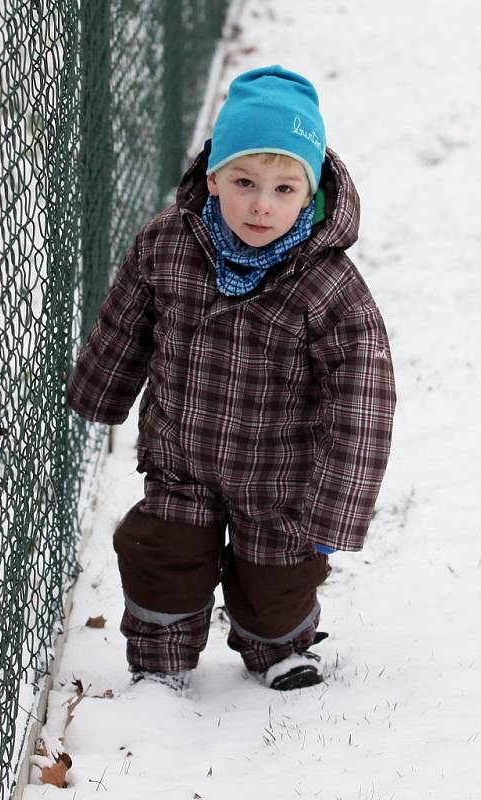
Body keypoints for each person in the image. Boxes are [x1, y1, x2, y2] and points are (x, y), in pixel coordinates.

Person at [67, 65, 396, 691]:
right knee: (162, 553)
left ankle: (280, 648)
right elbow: (126, 321)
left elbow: (364, 400)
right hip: (181, 451)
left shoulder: (329, 287)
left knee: (275, 576)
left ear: (312, 193)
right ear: (213, 175)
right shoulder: (169, 243)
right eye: (244, 181)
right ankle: (161, 663)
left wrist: (335, 513)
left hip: (279, 473)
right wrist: (99, 391)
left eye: (283, 189)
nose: (261, 205)